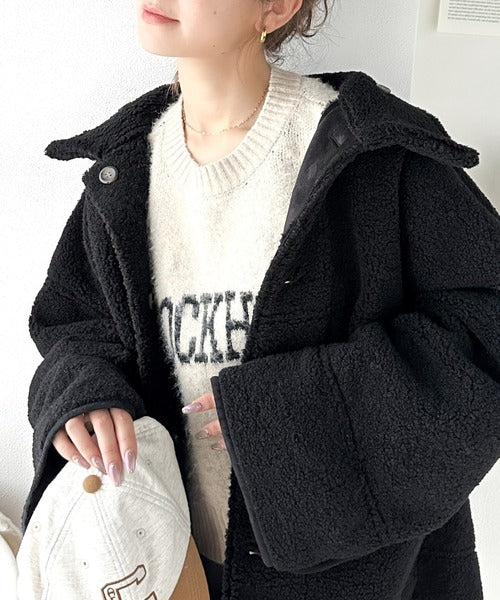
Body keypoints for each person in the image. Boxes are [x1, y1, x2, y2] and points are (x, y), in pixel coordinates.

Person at [21, 0, 500, 598]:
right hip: (169, 567)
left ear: (276, 7)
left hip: (347, 579)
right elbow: (76, 324)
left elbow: (485, 334)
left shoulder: (371, 154)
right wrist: (83, 397)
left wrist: (286, 416)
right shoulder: (123, 170)